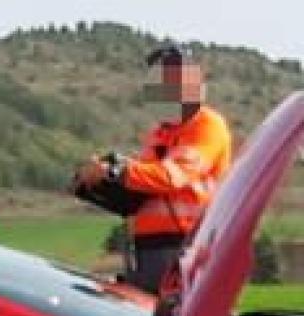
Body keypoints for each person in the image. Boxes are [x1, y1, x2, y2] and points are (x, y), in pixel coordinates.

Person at [77, 44, 233, 295]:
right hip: (149, 249)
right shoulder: (160, 134)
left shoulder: (207, 126)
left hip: (186, 246)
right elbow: (147, 183)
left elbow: (173, 176)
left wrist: (116, 171)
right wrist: (101, 184)